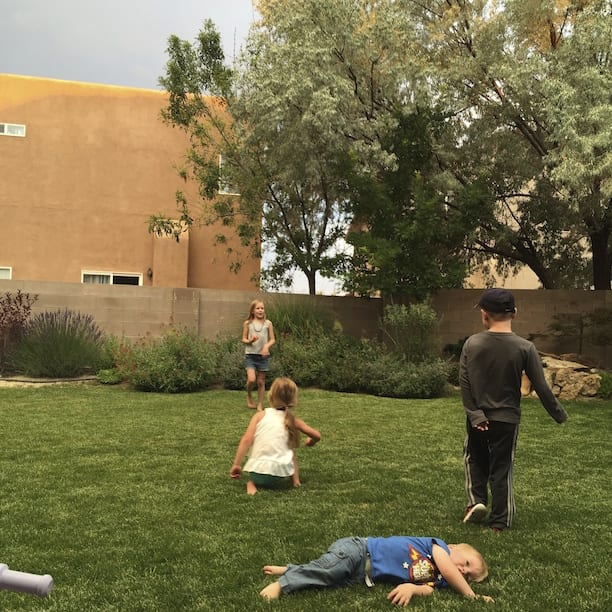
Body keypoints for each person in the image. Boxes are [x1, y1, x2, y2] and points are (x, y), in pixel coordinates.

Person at [460, 288, 568, 532]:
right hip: (507, 420)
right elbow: (541, 386)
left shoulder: (472, 344)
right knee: (502, 467)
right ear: (515, 313)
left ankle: (476, 501)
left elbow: (465, 384)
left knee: (474, 459)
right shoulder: (525, 347)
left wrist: (475, 415)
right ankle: (500, 521)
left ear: (484, 314)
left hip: (478, 417)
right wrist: (558, 414)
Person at [259, 535, 493, 605]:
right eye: (467, 564)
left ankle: (291, 569)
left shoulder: (442, 579)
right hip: (359, 551)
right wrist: (472, 596)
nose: (463, 571)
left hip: (363, 574)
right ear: (454, 548)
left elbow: (429, 590)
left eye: (469, 576)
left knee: (328, 578)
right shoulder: (439, 547)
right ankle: (281, 585)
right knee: (329, 571)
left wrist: (412, 588)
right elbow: (450, 571)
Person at [230, 377, 320, 494]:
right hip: (280, 474)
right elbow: (317, 435)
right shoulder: (292, 420)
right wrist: (310, 442)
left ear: (271, 395)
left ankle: (251, 484)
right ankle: (296, 481)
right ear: (293, 399)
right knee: (290, 451)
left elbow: (246, 439)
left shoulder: (260, 416)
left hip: (257, 473)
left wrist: (237, 464)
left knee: (261, 455)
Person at [242, 300, 275, 410]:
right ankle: (249, 395)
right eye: (258, 308)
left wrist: (266, 347)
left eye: (262, 308)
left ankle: (260, 404)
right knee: (251, 379)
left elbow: (272, 340)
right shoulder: (248, 323)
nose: (260, 310)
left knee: (261, 381)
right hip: (250, 355)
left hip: (263, 357)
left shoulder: (268, 323)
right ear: (252, 311)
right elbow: (244, 339)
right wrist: (250, 341)